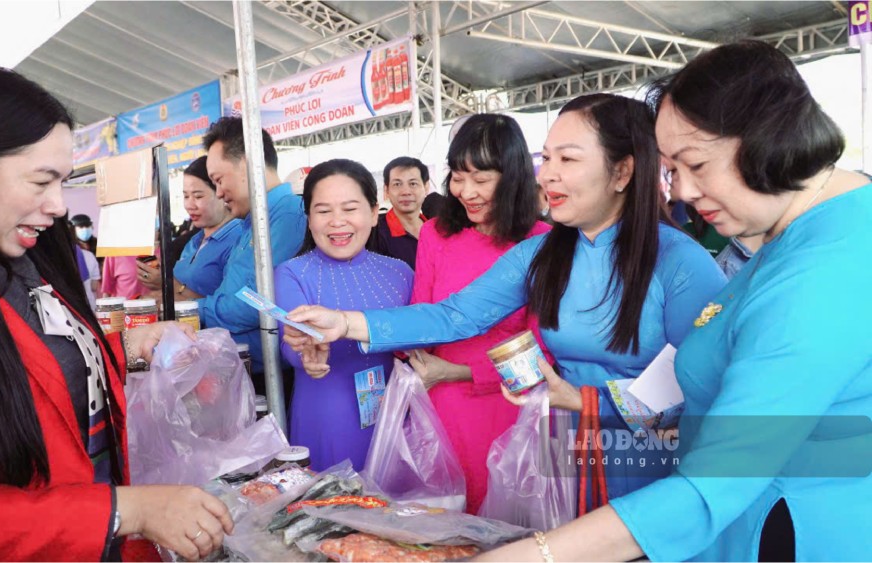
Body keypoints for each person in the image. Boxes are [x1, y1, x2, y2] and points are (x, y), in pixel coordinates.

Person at [471, 40, 872, 562]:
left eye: (695, 164)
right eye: (671, 169)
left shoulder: (825, 271)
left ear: (764, 139)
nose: (680, 190)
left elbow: (716, 482)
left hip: (778, 529)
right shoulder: (794, 237)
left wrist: (534, 554)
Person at [285, 93, 728, 502]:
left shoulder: (680, 264)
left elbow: (698, 396)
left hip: (637, 460)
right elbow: (455, 315)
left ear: (622, 172)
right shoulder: (544, 251)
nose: (547, 173)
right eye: (547, 158)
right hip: (556, 450)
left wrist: (582, 400)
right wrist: (347, 323)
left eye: (567, 159)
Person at [0, 65, 232, 561]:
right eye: (42, 181)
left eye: (63, 181)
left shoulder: (20, 255)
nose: (59, 205)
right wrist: (130, 511)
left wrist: (124, 349)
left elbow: (34, 369)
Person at [401, 113, 552, 514]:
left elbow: (544, 351)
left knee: (503, 524)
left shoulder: (543, 242)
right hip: (443, 409)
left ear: (514, 177)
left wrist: (457, 372)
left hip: (508, 409)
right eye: (457, 176)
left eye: (481, 180)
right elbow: (422, 318)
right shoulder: (436, 233)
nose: (466, 191)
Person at [274, 159, 413, 471]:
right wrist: (305, 355)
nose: (337, 222)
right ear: (309, 219)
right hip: (326, 418)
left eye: (350, 209)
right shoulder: (292, 273)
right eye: (323, 211)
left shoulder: (401, 272)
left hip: (395, 419)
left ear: (374, 211)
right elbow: (290, 342)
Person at [200, 117, 307, 392]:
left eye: (219, 180)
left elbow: (258, 304)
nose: (219, 192)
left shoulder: (287, 215)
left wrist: (194, 311)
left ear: (249, 165)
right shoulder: (249, 223)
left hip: (273, 380)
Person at [135, 156, 242, 315]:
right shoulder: (194, 241)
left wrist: (169, 284)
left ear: (221, 194)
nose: (189, 205)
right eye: (186, 196)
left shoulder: (239, 239)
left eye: (198, 196)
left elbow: (233, 308)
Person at [368, 156, 429, 269]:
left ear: (426, 187)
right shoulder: (373, 233)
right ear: (386, 190)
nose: (405, 192)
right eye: (397, 184)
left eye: (413, 184)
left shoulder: (439, 230)